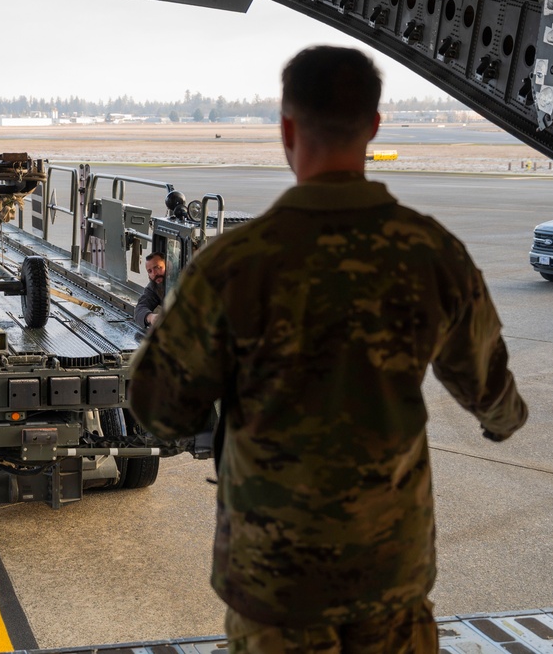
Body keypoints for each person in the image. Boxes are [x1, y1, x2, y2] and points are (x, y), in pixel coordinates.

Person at [128, 46, 528, 653]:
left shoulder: (234, 266)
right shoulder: (428, 252)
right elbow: (492, 395)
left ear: (287, 128)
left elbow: (158, 408)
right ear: (373, 125)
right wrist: (503, 420)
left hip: (275, 587)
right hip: (390, 573)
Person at [133, 251, 166, 328]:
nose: (154, 273)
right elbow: (140, 309)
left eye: (157, 267)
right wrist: (151, 317)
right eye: (150, 271)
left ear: (168, 265)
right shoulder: (154, 286)